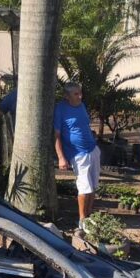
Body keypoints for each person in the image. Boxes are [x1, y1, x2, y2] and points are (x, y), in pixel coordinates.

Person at [54, 82, 99, 228]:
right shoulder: (60, 109)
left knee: (93, 186)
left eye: (80, 93)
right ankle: (82, 220)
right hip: (77, 153)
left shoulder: (81, 105)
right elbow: (57, 135)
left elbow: (85, 125)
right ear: (67, 96)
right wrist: (61, 157)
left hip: (92, 149)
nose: (80, 96)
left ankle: (90, 215)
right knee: (84, 186)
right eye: (76, 94)